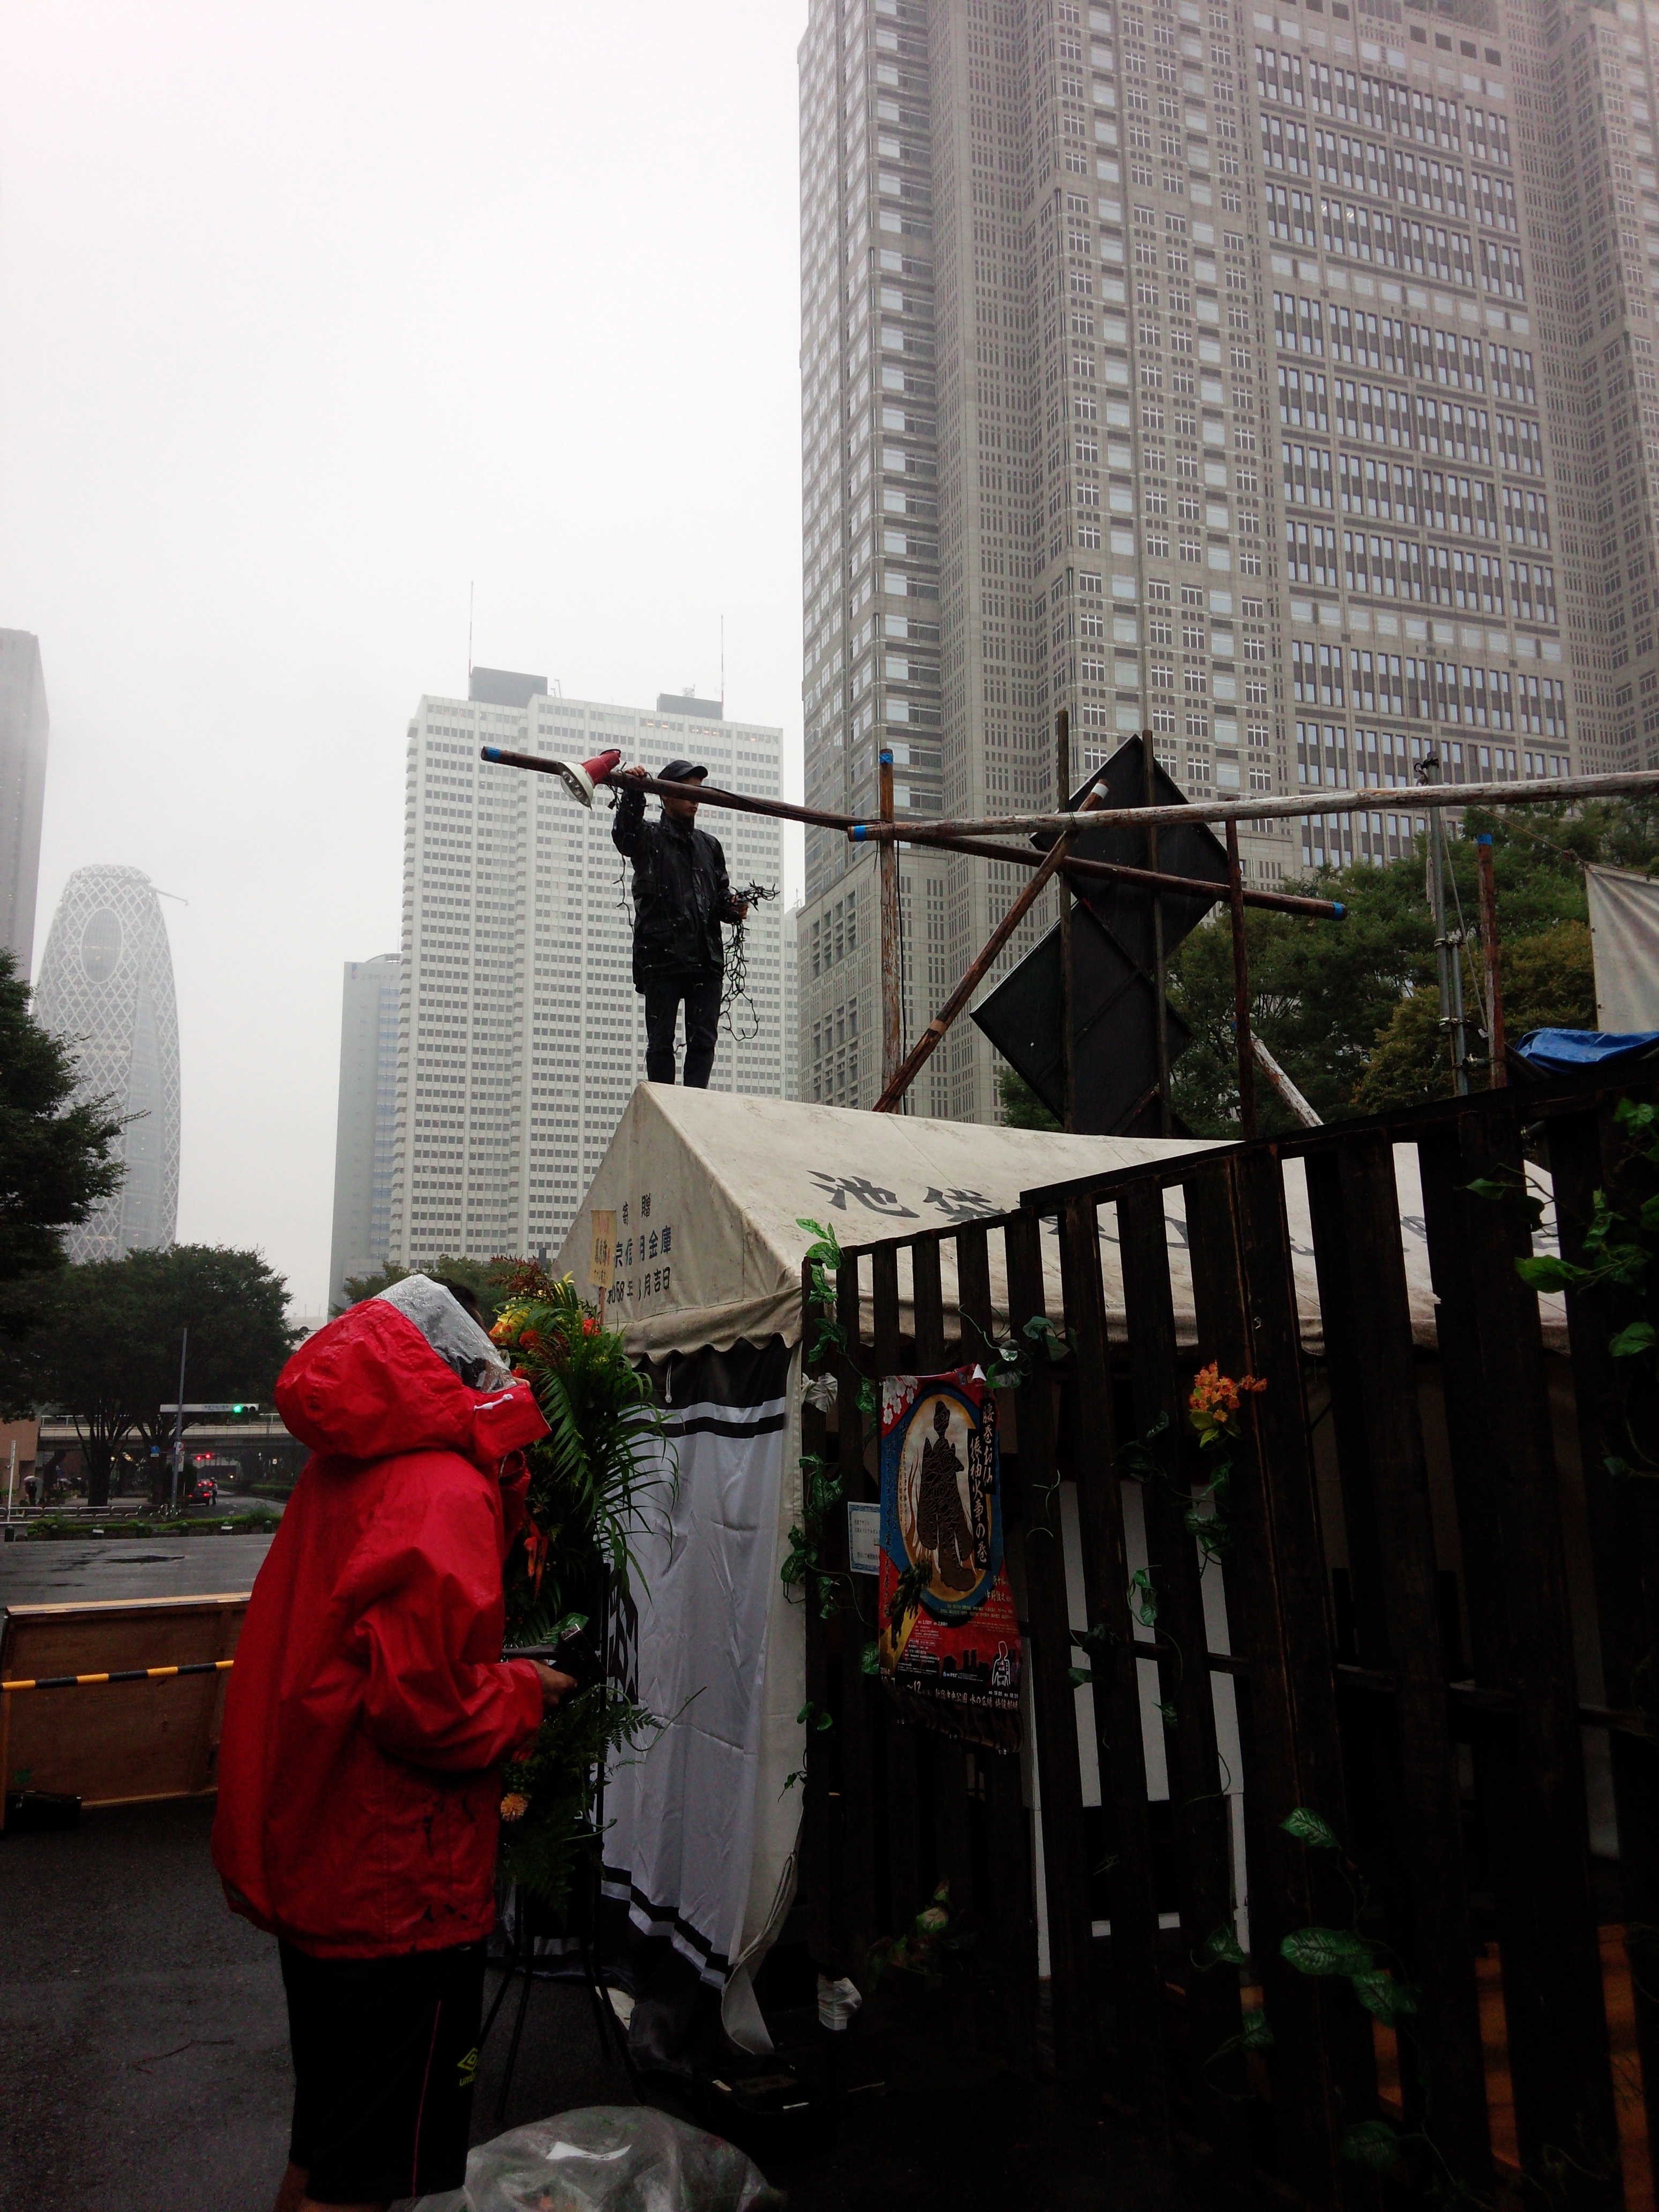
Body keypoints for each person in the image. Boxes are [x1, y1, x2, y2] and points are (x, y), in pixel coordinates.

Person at [212, 1274, 574, 2212]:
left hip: (328, 1853)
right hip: (397, 1881)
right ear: (453, 1364)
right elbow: (426, 1708)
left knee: (328, 2148)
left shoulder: (345, 1468)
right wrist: (525, 1691)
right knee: (363, 2178)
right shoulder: (440, 1487)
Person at [612, 758, 749, 1088]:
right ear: (666, 795)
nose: (695, 800)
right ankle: (664, 1100)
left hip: (705, 958)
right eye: (686, 792)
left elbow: (719, 896)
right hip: (662, 956)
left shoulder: (709, 846)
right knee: (661, 1040)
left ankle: (694, 1102)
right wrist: (634, 793)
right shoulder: (649, 837)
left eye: (698, 792)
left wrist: (734, 908)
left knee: (704, 1040)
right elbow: (625, 837)